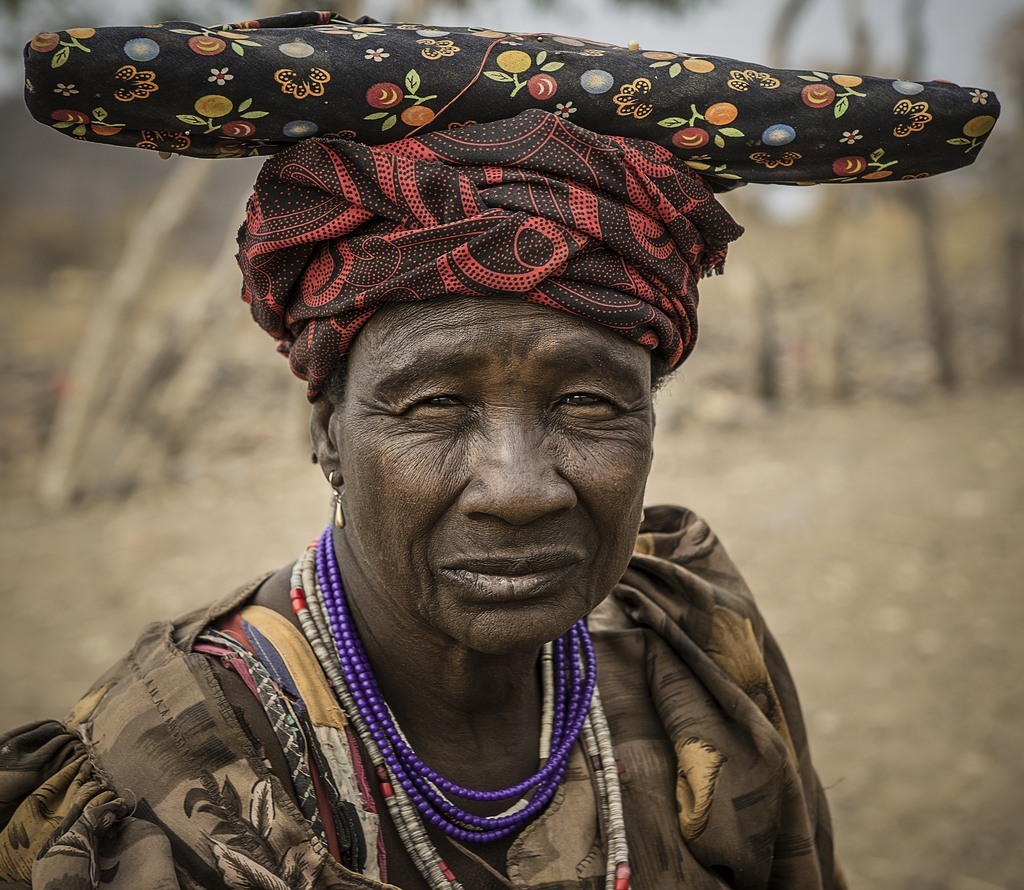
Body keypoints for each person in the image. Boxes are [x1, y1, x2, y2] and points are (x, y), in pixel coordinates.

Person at [1, 11, 998, 890]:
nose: (518, 488)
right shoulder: (165, 766)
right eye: (435, 403)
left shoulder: (692, 660)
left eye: (589, 402)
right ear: (328, 433)